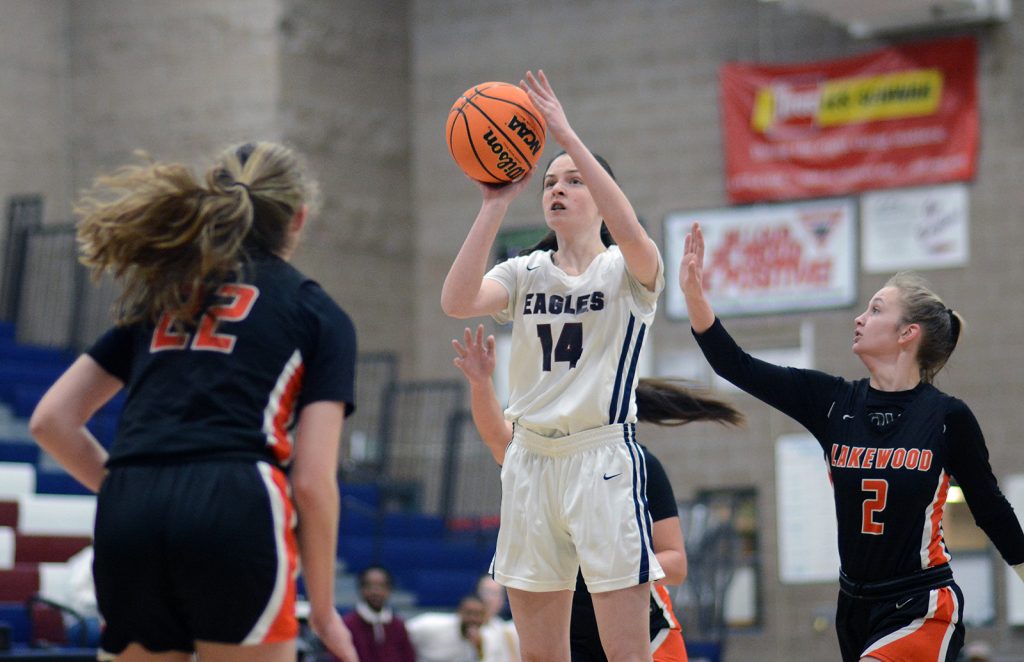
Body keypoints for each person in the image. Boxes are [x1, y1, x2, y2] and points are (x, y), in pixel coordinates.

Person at [29, 142, 359, 662]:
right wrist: (322, 609)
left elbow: (51, 421)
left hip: (130, 506)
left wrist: (128, 489)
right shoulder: (315, 310)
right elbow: (313, 483)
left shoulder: (163, 294)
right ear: (298, 218)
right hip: (236, 498)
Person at [677, 221, 1024, 662]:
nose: (860, 318)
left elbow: (991, 509)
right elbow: (736, 365)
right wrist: (694, 295)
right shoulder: (833, 401)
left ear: (907, 333)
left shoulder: (947, 417)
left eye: (876, 310)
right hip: (854, 606)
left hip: (922, 604)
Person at [440, 67, 672, 662]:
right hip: (530, 463)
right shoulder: (524, 271)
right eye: (549, 182)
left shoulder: (628, 269)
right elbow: (456, 301)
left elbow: (632, 232)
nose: (558, 188)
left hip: (602, 459)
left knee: (626, 654)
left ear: (602, 196)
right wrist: (495, 202)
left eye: (573, 180)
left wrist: (567, 137)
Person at [453, 326, 742, 661]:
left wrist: (609, 563)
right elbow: (495, 436)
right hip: (572, 635)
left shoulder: (639, 464)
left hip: (645, 633)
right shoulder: (536, 459)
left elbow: (676, 564)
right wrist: (480, 382)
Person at [341, 566, 416, 662]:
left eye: (381, 586)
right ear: (361, 589)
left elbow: (408, 658)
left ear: (389, 590)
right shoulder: (347, 625)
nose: (375, 592)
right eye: (369, 586)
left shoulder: (398, 626)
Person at [406, 595, 488, 662]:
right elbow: (399, 635)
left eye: (478, 614)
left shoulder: (484, 639)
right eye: (469, 613)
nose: (473, 619)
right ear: (459, 612)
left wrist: (478, 648)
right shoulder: (431, 625)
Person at [475, 575, 518, 662]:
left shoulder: (508, 631)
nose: (488, 599)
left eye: (494, 593)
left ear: (502, 600)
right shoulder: (462, 625)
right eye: (485, 592)